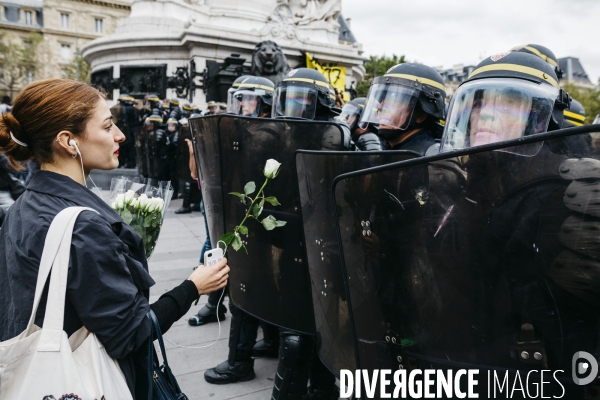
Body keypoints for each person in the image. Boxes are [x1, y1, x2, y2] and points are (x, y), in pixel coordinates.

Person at [0, 78, 230, 399]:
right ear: (69, 141)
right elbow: (132, 334)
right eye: (108, 126)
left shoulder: (23, 206)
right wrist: (193, 287)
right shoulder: (83, 226)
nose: (120, 134)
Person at [201, 75, 281, 385]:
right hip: (254, 220)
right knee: (264, 282)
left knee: (244, 289)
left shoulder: (261, 134)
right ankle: (270, 341)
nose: (242, 104)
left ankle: (239, 361)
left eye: (248, 99)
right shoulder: (255, 130)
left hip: (252, 221)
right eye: (241, 98)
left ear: (262, 103)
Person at [358, 62, 446, 155]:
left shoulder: (429, 161)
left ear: (420, 114)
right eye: (381, 100)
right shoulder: (396, 151)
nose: (380, 107)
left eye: (393, 99)